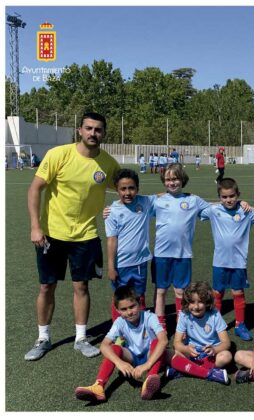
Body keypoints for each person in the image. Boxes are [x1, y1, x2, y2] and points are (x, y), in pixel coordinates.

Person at [26, 112, 120, 361]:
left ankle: (81, 338)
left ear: (103, 133)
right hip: (51, 233)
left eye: (98, 129)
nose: (93, 133)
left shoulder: (108, 164)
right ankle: (43, 338)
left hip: (86, 235)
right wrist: (35, 226)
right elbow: (35, 188)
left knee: (82, 286)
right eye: (88, 128)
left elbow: (126, 189)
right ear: (80, 130)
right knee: (47, 286)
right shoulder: (59, 155)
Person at [74, 286, 168, 402]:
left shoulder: (150, 317)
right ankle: (98, 386)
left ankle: (149, 382)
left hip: (151, 356)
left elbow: (164, 340)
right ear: (118, 310)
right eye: (124, 309)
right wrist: (119, 363)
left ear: (139, 303)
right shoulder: (119, 322)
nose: (129, 312)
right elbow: (104, 345)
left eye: (132, 306)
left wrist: (147, 365)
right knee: (113, 348)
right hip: (132, 357)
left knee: (158, 343)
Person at [151, 163, 210, 329]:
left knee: (180, 292)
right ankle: (159, 325)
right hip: (161, 254)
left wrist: (239, 203)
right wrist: (111, 209)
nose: (172, 183)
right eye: (168, 179)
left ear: (182, 179)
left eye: (175, 179)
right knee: (160, 290)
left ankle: (181, 325)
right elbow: (136, 205)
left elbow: (214, 209)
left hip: (183, 254)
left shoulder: (193, 200)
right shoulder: (157, 201)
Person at [200, 177, 254, 341]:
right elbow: (197, 208)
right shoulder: (213, 211)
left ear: (238, 194)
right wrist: (216, 203)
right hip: (219, 261)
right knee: (217, 293)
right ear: (219, 197)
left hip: (239, 262)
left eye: (232, 196)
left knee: (237, 292)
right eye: (224, 197)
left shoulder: (245, 212)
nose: (228, 200)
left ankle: (240, 325)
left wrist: (244, 204)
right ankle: (216, 325)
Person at [105, 169, 153, 321]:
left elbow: (163, 197)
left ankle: (141, 329)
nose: (127, 192)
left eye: (131, 188)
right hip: (120, 265)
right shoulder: (111, 211)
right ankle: (118, 330)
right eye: (123, 189)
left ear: (137, 188)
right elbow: (111, 240)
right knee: (120, 299)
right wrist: (111, 267)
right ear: (117, 190)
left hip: (140, 262)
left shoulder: (145, 202)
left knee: (139, 296)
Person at [166, 282, 231, 385]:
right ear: (187, 302)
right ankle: (209, 372)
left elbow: (226, 343)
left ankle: (185, 369)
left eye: (200, 302)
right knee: (170, 352)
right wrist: (186, 349)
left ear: (207, 302)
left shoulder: (215, 314)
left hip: (211, 354)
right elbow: (176, 343)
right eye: (192, 302)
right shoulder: (184, 314)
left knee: (226, 356)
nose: (196, 306)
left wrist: (214, 349)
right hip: (192, 352)